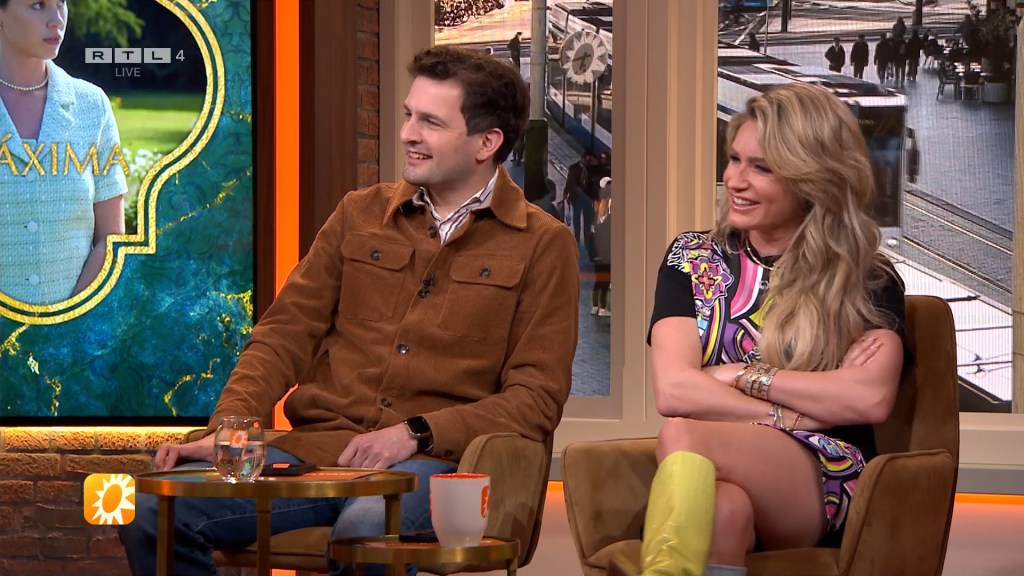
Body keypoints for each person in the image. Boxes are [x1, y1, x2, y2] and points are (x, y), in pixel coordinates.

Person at [118, 45, 580, 576]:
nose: (408, 133)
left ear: (487, 142)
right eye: (409, 115)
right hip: (317, 452)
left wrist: (415, 431)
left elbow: (535, 399)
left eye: (430, 122)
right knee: (153, 511)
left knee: (366, 532)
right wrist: (230, 430)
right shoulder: (358, 214)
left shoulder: (543, 245)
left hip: (436, 466)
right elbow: (284, 334)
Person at [634, 83, 906, 576]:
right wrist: (790, 414)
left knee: (684, 436)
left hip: (822, 471)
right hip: (724, 462)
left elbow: (867, 398)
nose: (735, 180)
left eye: (761, 168)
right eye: (734, 159)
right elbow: (674, 389)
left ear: (811, 180)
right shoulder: (692, 256)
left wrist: (741, 375)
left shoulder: (866, 278)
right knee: (724, 510)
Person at [0, 0, 127, 306]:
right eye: (38, 5)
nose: (57, 19)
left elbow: (111, 238)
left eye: (61, 3)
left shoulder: (92, 106)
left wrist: (66, 322)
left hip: (75, 330)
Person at [564, 149, 597, 248]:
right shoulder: (573, 168)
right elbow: (569, 182)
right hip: (577, 198)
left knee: (587, 220)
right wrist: (565, 195)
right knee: (576, 219)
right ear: (582, 158)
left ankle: (587, 239)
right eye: (586, 160)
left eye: (589, 160)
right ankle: (577, 239)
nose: (587, 162)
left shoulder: (592, 169)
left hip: (588, 199)